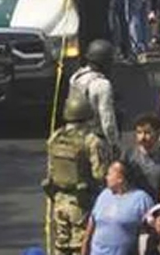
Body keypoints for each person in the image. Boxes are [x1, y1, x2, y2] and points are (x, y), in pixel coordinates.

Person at [44, 96, 111, 255]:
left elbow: (51, 169)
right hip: (82, 202)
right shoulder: (91, 140)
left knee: (61, 245)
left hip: (59, 200)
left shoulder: (56, 137)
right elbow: (100, 174)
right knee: (80, 246)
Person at [83, 161, 154, 255]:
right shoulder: (104, 195)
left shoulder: (141, 199)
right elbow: (90, 228)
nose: (106, 177)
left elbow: (151, 232)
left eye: (109, 174)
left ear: (120, 178)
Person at [68, 40, 119, 146]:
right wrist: (114, 144)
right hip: (94, 139)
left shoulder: (75, 77)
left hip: (73, 136)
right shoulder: (102, 85)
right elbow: (107, 120)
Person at [123, 113, 160, 199]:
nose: (142, 137)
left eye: (147, 133)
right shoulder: (129, 155)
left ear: (157, 133)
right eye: (139, 132)